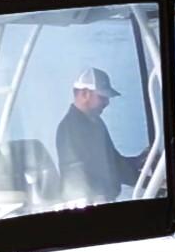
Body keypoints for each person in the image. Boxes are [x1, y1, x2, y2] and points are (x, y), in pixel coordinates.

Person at [56, 67, 142, 203]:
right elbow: (112, 168)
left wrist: (140, 161)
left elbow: (113, 161)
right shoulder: (73, 128)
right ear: (84, 94)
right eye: (102, 97)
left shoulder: (94, 123)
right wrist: (150, 182)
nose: (107, 102)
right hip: (91, 206)